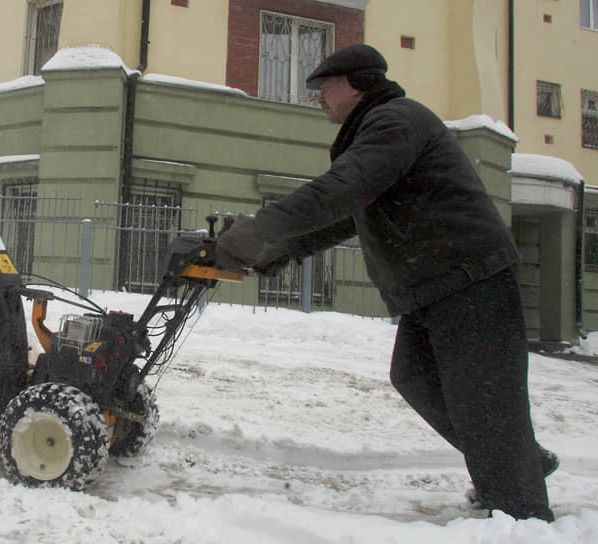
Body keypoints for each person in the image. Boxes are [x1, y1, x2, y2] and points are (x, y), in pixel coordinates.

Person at [216, 44, 557, 521]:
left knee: (485, 403)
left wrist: (260, 227)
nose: (318, 99)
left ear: (356, 83)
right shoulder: (377, 132)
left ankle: (523, 513)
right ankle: (519, 461)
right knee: (416, 378)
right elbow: (348, 215)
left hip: (469, 280)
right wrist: (276, 250)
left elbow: (340, 192)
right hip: (435, 286)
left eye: (323, 88)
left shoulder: (397, 121)